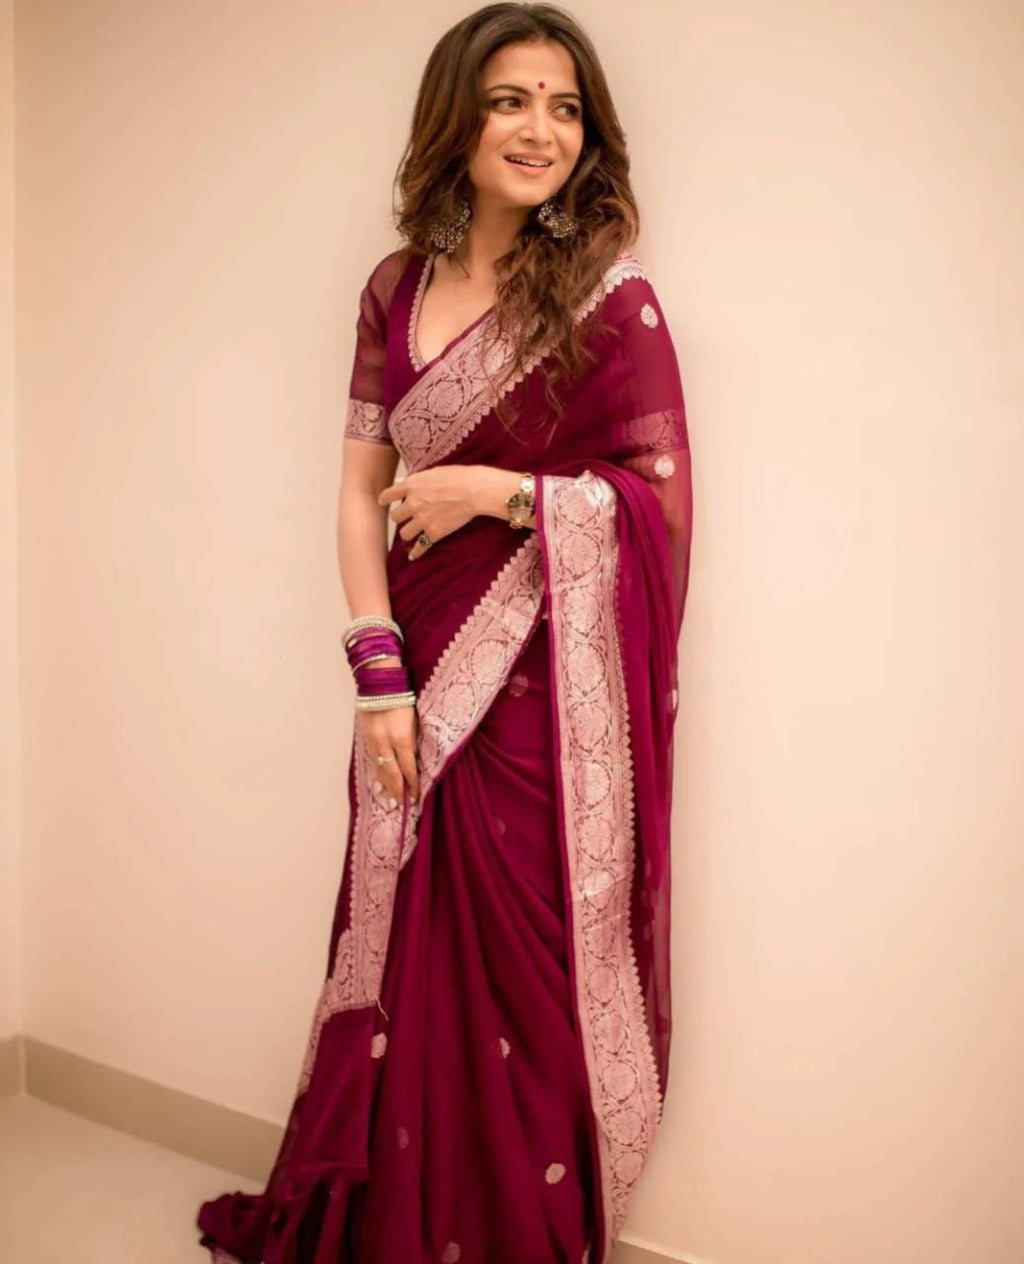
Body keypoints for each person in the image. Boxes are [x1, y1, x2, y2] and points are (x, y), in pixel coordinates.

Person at [196, 4, 693, 1261]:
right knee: (403, 957)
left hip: (538, 711)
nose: (540, 130)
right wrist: (377, 674)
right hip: (411, 669)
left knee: (518, 979)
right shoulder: (394, 288)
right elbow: (357, 489)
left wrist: (500, 493)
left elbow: (658, 508)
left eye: (565, 107)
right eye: (511, 99)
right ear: (456, 117)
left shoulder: (611, 306)